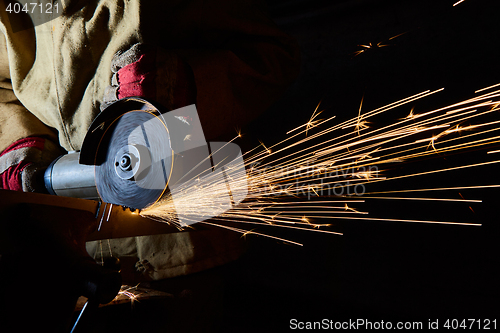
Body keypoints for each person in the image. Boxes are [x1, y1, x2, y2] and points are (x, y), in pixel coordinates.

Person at [0, 0, 300, 329]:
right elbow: (4, 86)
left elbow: (272, 57)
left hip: (183, 245)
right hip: (68, 247)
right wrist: (25, 146)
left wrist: (181, 86)